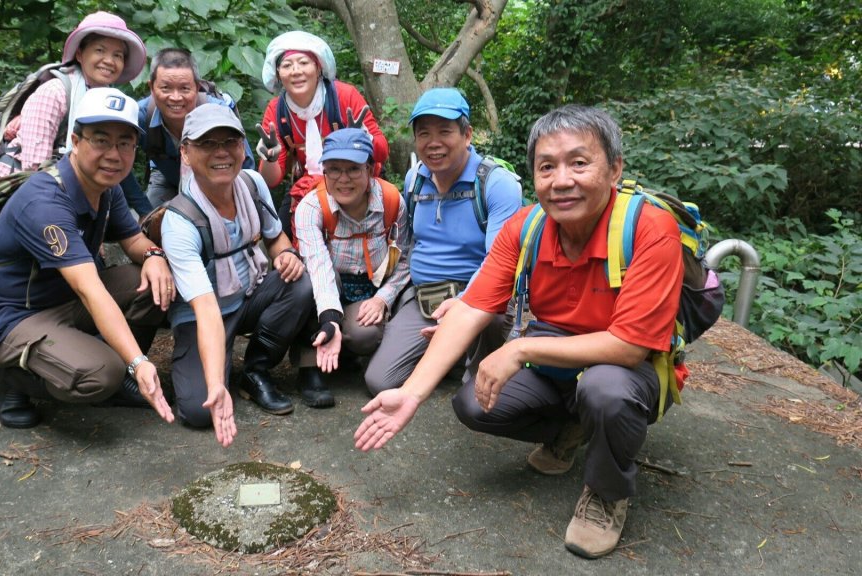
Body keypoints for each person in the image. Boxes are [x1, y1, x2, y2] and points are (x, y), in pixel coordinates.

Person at [354, 105, 685, 560]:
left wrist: (520, 348)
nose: (562, 179)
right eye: (547, 167)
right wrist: (410, 394)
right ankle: (570, 429)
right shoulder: (527, 227)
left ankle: (606, 491)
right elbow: (471, 307)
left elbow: (629, 346)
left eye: (579, 162)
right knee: (474, 403)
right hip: (556, 353)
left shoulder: (648, 228)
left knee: (607, 391)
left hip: (625, 366)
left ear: (615, 169)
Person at [0, 87, 176, 430]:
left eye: (125, 143)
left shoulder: (106, 188)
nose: (113, 154)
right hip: (14, 316)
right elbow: (91, 291)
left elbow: (134, 239)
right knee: (101, 375)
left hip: (63, 298)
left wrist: (154, 255)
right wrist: (139, 361)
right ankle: (13, 378)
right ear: (76, 141)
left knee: (154, 281)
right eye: (100, 140)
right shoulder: (46, 201)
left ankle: (116, 368)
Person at [159, 103, 314, 445]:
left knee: (300, 281)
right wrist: (215, 384)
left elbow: (275, 237)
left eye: (230, 142)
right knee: (199, 412)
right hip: (204, 315)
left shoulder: (253, 184)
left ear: (243, 147)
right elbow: (205, 308)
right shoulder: (181, 221)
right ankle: (220, 372)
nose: (221, 153)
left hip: (250, 292)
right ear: (185, 152)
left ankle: (256, 370)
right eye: (206, 144)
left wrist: (286, 255)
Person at [363, 87, 523, 396]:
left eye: (445, 131)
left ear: (467, 135)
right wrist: (386, 293)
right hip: (425, 298)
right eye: (424, 134)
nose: (433, 143)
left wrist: (463, 307)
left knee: (479, 395)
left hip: (479, 300)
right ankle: (449, 354)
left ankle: (470, 357)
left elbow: (499, 263)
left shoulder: (496, 184)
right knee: (380, 381)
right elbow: (407, 245)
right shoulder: (415, 179)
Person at [0, 11, 151, 215]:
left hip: (66, 201)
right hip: (19, 201)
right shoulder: (55, 92)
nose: (109, 61)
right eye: (100, 50)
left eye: (117, 55)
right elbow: (34, 168)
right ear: (80, 53)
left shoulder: (108, 102)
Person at [292, 128, 410, 407]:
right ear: (324, 171)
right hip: (324, 289)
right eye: (334, 170)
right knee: (302, 285)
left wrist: (383, 298)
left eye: (353, 169)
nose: (343, 179)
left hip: (368, 291)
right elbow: (319, 269)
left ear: (370, 169)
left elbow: (404, 259)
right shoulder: (311, 207)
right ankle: (308, 367)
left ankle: (344, 351)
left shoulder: (392, 202)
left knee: (365, 333)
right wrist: (330, 317)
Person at [255, 31, 388, 238]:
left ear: (318, 68)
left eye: (303, 63)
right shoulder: (276, 110)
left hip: (354, 180)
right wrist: (269, 158)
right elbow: (270, 180)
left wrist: (363, 139)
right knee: (279, 236)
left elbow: (382, 152)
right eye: (287, 65)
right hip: (307, 188)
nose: (296, 71)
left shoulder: (345, 97)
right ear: (278, 74)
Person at [119, 48, 254, 217]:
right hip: (167, 178)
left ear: (197, 87)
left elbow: (246, 165)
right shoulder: (139, 116)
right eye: (166, 88)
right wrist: (145, 211)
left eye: (184, 88)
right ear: (152, 88)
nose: (176, 97)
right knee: (153, 227)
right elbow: (118, 162)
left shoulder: (218, 112)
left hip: (216, 182)